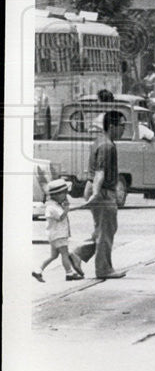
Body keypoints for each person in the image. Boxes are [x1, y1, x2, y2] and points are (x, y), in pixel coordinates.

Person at [71, 111, 127, 279]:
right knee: (105, 231)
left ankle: (78, 254)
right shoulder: (107, 146)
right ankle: (104, 269)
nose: (123, 130)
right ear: (112, 126)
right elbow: (100, 172)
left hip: (98, 189)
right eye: (121, 126)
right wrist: (96, 193)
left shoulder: (101, 141)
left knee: (104, 229)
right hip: (102, 191)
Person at [33, 179, 85, 282]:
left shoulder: (54, 205)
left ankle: (38, 270)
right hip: (59, 235)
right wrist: (66, 209)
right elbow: (61, 217)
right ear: (57, 195)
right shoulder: (52, 207)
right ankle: (69, 273)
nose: (66, 196)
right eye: (64, 194)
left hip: (55, 235)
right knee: (64, 254)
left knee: (53, 256)